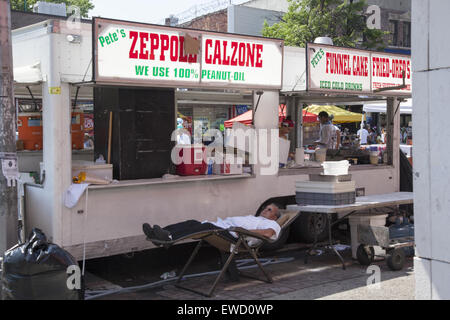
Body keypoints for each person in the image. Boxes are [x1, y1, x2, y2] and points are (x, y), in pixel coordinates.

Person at [142, 203, 282, 246]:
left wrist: (245, 231)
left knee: (205, 228)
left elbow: (268, 234)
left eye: (269, 210)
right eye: (265, 207)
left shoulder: (272, 224)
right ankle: (159, 234)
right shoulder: (255, 218)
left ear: (274, 217)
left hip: (234, 236)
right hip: (222, 227)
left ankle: (169, 239)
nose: (265, 210)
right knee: (192, 222)